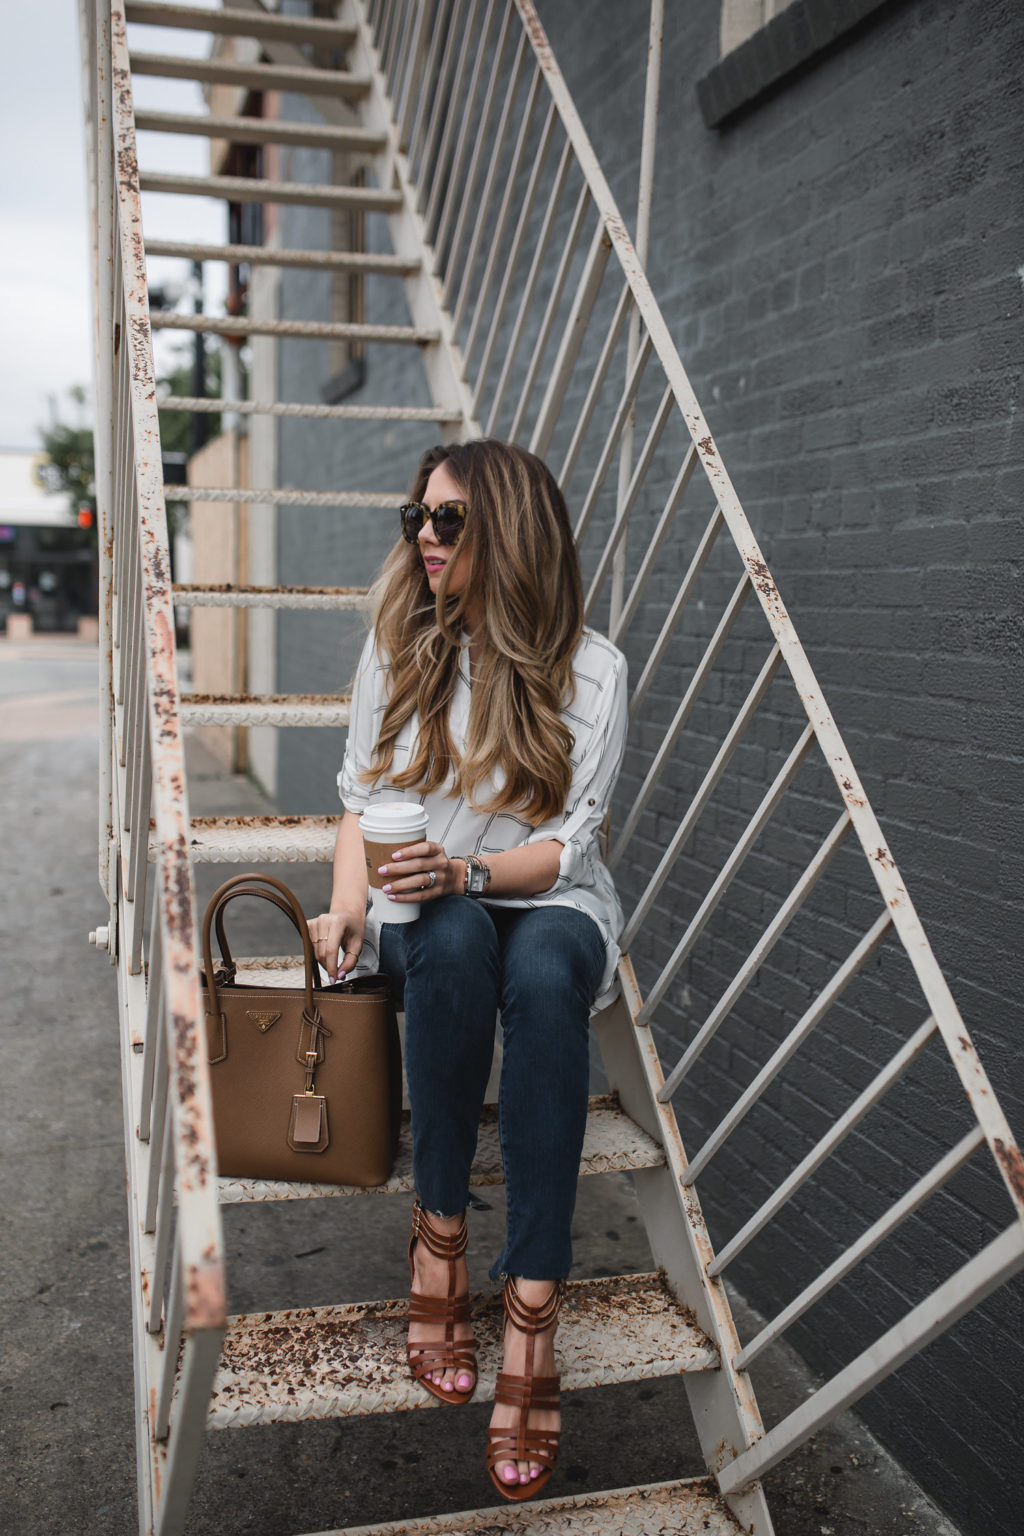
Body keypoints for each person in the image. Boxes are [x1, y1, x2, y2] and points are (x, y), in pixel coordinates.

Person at [308, 438, 627, 1501]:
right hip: (430, 906)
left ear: (511, 532)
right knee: (445, 935)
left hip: (545, 896)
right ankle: (438, 1237)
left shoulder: (594, 671)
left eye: (448, 521)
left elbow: (562, 851)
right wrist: (348, 904)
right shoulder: (401, 644)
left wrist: (470, 866)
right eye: (418, 519)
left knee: (541, 977)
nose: (425, 539)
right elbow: (358, 802)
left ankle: (532, 1310)